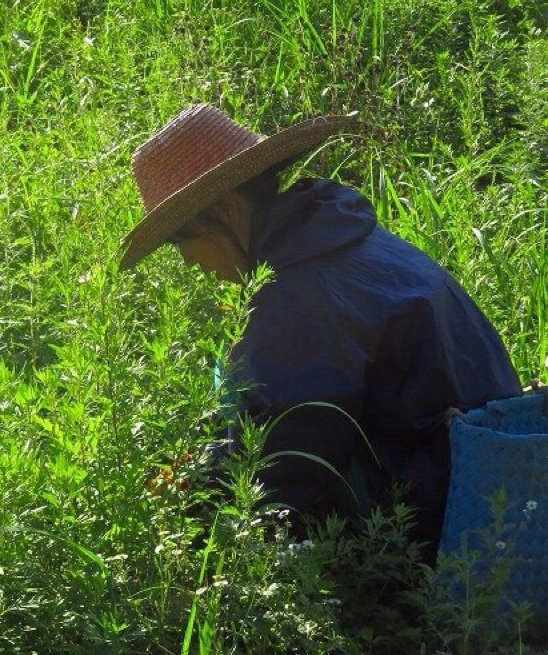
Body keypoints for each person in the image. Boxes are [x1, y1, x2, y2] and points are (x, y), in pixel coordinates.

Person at [120, 103, 522, 554]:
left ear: (227, 209)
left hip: (445, 516)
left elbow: (284, 462)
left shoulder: (299, 290)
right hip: (491, 478)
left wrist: (188, 500)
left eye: (181, 239)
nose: (186, 260)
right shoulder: (336, 236)